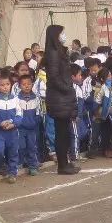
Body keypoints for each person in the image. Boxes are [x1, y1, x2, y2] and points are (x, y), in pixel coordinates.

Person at [42, 25, 81, 173]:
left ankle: (66, 162)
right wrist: (66, 88)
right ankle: (62, 165)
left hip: (63, 97)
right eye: (61, 33)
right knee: (61, 132)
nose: (64, 35)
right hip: (59, 98)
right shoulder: (53, 53)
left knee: (65, 132)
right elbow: (53, 76)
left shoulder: (60, 51)